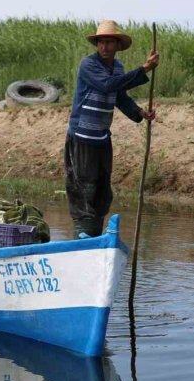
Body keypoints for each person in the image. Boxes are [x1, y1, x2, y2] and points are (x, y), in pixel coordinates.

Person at [65, 20, 159, 238]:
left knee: (102, 191)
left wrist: (139, 113)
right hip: (82, 137)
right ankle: (82, 239)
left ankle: (95, 237)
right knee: (83, 189)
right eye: (101, 42)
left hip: (101, 137)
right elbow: (107, 85)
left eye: (109, 42)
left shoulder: (117, 68)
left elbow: (118, 95)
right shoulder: (89, 65)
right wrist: (145, 69)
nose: (104, 47)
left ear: (118, 45)